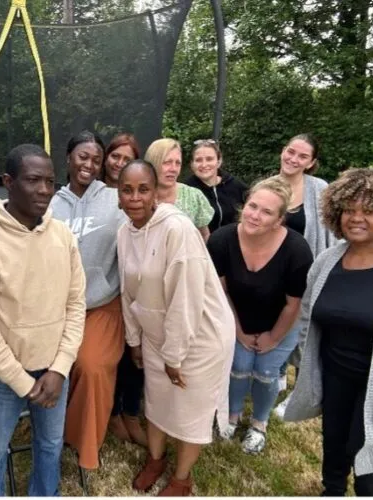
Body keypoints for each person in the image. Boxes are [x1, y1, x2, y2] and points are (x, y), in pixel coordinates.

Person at [0, 144, 86, 496]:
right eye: (33, 180)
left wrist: (59, 368)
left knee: (50, 445)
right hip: (3, 375)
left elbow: (76, 305)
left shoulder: (63, 237)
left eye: (50, 181)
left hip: (54, 370)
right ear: (9, 182)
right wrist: (22, 382)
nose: (44, 190)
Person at [285, 167, 373, 496]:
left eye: (369, 211)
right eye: (350, 210)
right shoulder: (327, 260)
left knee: (365, 451)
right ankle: (332, 491)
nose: (357, 218)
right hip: (335, 374)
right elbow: (309, 314)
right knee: (334, 446)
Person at [117, 159, 235, 496]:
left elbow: (186, 300)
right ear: (119, 196)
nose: (135, 197)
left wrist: (174, 356)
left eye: (143, 189)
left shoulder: (177, 229)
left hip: (199, 337)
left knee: (188, 412)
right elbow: (129, 291)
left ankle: (182, 477)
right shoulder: (124, 231)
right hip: (156, 334)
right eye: (127, 190)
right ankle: (156, 459)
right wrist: (134, 340)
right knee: (156, 402)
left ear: (155, 193)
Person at [206, 176, 313, 454]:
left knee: (266, 371)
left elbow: (294, 304)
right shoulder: (221, 239)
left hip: (281, 321)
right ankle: (232, 414)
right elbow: (222, 292)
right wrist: (238, 331)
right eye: (253, 206)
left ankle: (259, 424)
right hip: (237, 317)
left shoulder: (297, 250)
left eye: (267, 212)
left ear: (279, 220)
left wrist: (273, 339)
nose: (255, 215)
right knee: (239, 366)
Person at [50, 131, 130, 469]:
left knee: (92, 366)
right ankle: (51, 433)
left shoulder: (116, 201)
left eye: (96, 159)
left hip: (102, 304)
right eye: (83, 156)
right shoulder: (50, 203)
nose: (90, 164)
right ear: (68, 157)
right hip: (57, 307)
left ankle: (82, 444)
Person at [274, 133, 337, 418]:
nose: (293, 159)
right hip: (273, 272)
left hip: (308, 274)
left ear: (311, 163)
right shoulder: (269, 186)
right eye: (291, 151)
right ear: (282, 151)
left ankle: (302, 394)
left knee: (307, 331)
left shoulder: (320, 189)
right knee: (276, 324)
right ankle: (276, 376)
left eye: (302, 156)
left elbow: (333, 233)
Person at [98, 133, 148, 446]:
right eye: (115, 156)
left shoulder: (136, 195)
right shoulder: (94, 192)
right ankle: (113, 412)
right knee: (116, 354)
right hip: (108, 290)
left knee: (137, 353)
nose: (119, 163)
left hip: (137, 287)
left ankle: (131, 411)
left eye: (126, 159)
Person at [144, 138, 214, 241]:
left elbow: (204, 236)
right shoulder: (139, 197)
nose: (173, 169)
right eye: (167, 162)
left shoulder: (193, 196)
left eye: (178, 163)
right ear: (153, 163)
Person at [184, 139, 248, 233]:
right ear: (192, 164)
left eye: (209, 159)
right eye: (198, 160)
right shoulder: (186, 190)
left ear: (219, 161)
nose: (204, 164)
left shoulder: (236, 185)